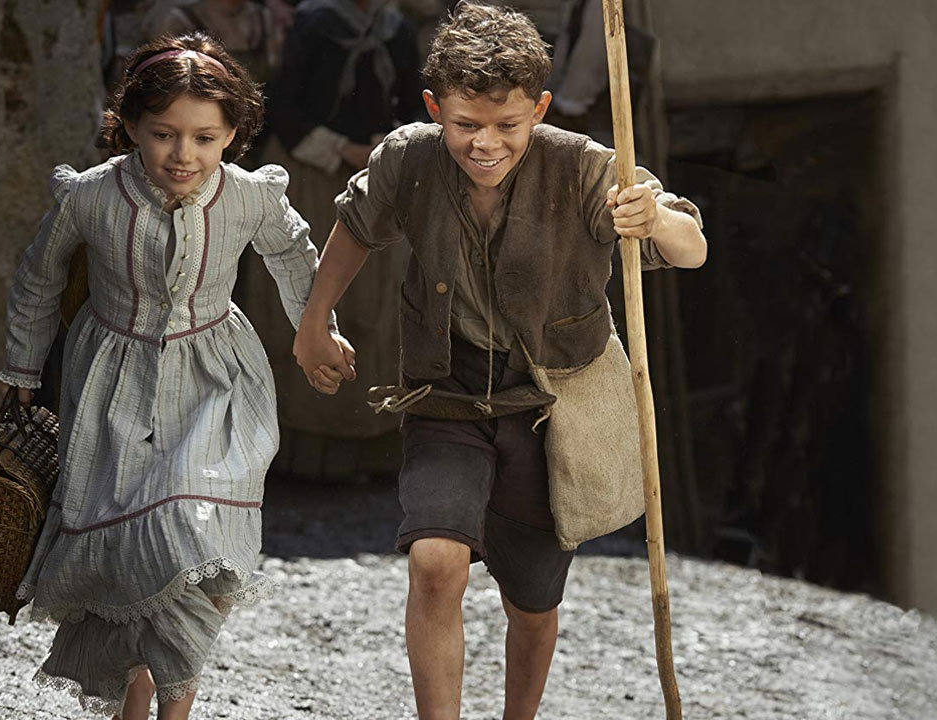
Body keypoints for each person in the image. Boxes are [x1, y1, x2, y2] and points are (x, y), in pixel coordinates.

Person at [292, 3, 707, 718]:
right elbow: (355, 225)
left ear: (538, 110)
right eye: (465, 125)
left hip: (550, 408)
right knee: (434, 560)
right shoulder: (409, 158)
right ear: (435, 109)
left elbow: (690, 248)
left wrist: (657, 220)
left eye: (508, 125)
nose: (485, 144)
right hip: (447, 395)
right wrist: (314, 321)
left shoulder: (585, 168)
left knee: (533, 602)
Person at [0, 33, 344, 719]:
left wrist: (317, 333)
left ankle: (174, 707)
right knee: (135, 553)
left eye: (205, 138)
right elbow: (37, 279)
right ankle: (136, 698)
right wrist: (21, 368)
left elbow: (294, 258)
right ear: (129, 125)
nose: (184, 154)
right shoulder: (90, 197)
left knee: (198, 537)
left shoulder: (250, 196)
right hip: (112, 387)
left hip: (219, 381)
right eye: (163, 134)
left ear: (232, 134)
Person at [239, 0, 426, 477]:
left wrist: (385, 147)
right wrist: (341, 148)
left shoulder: (397, 29)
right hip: (315, 179)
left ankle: (369, 449)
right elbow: (283, 104)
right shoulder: (314, 22)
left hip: (377, 182)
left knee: (375, 309)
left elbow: (413, 105)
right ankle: (303, 456)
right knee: (306, 298)